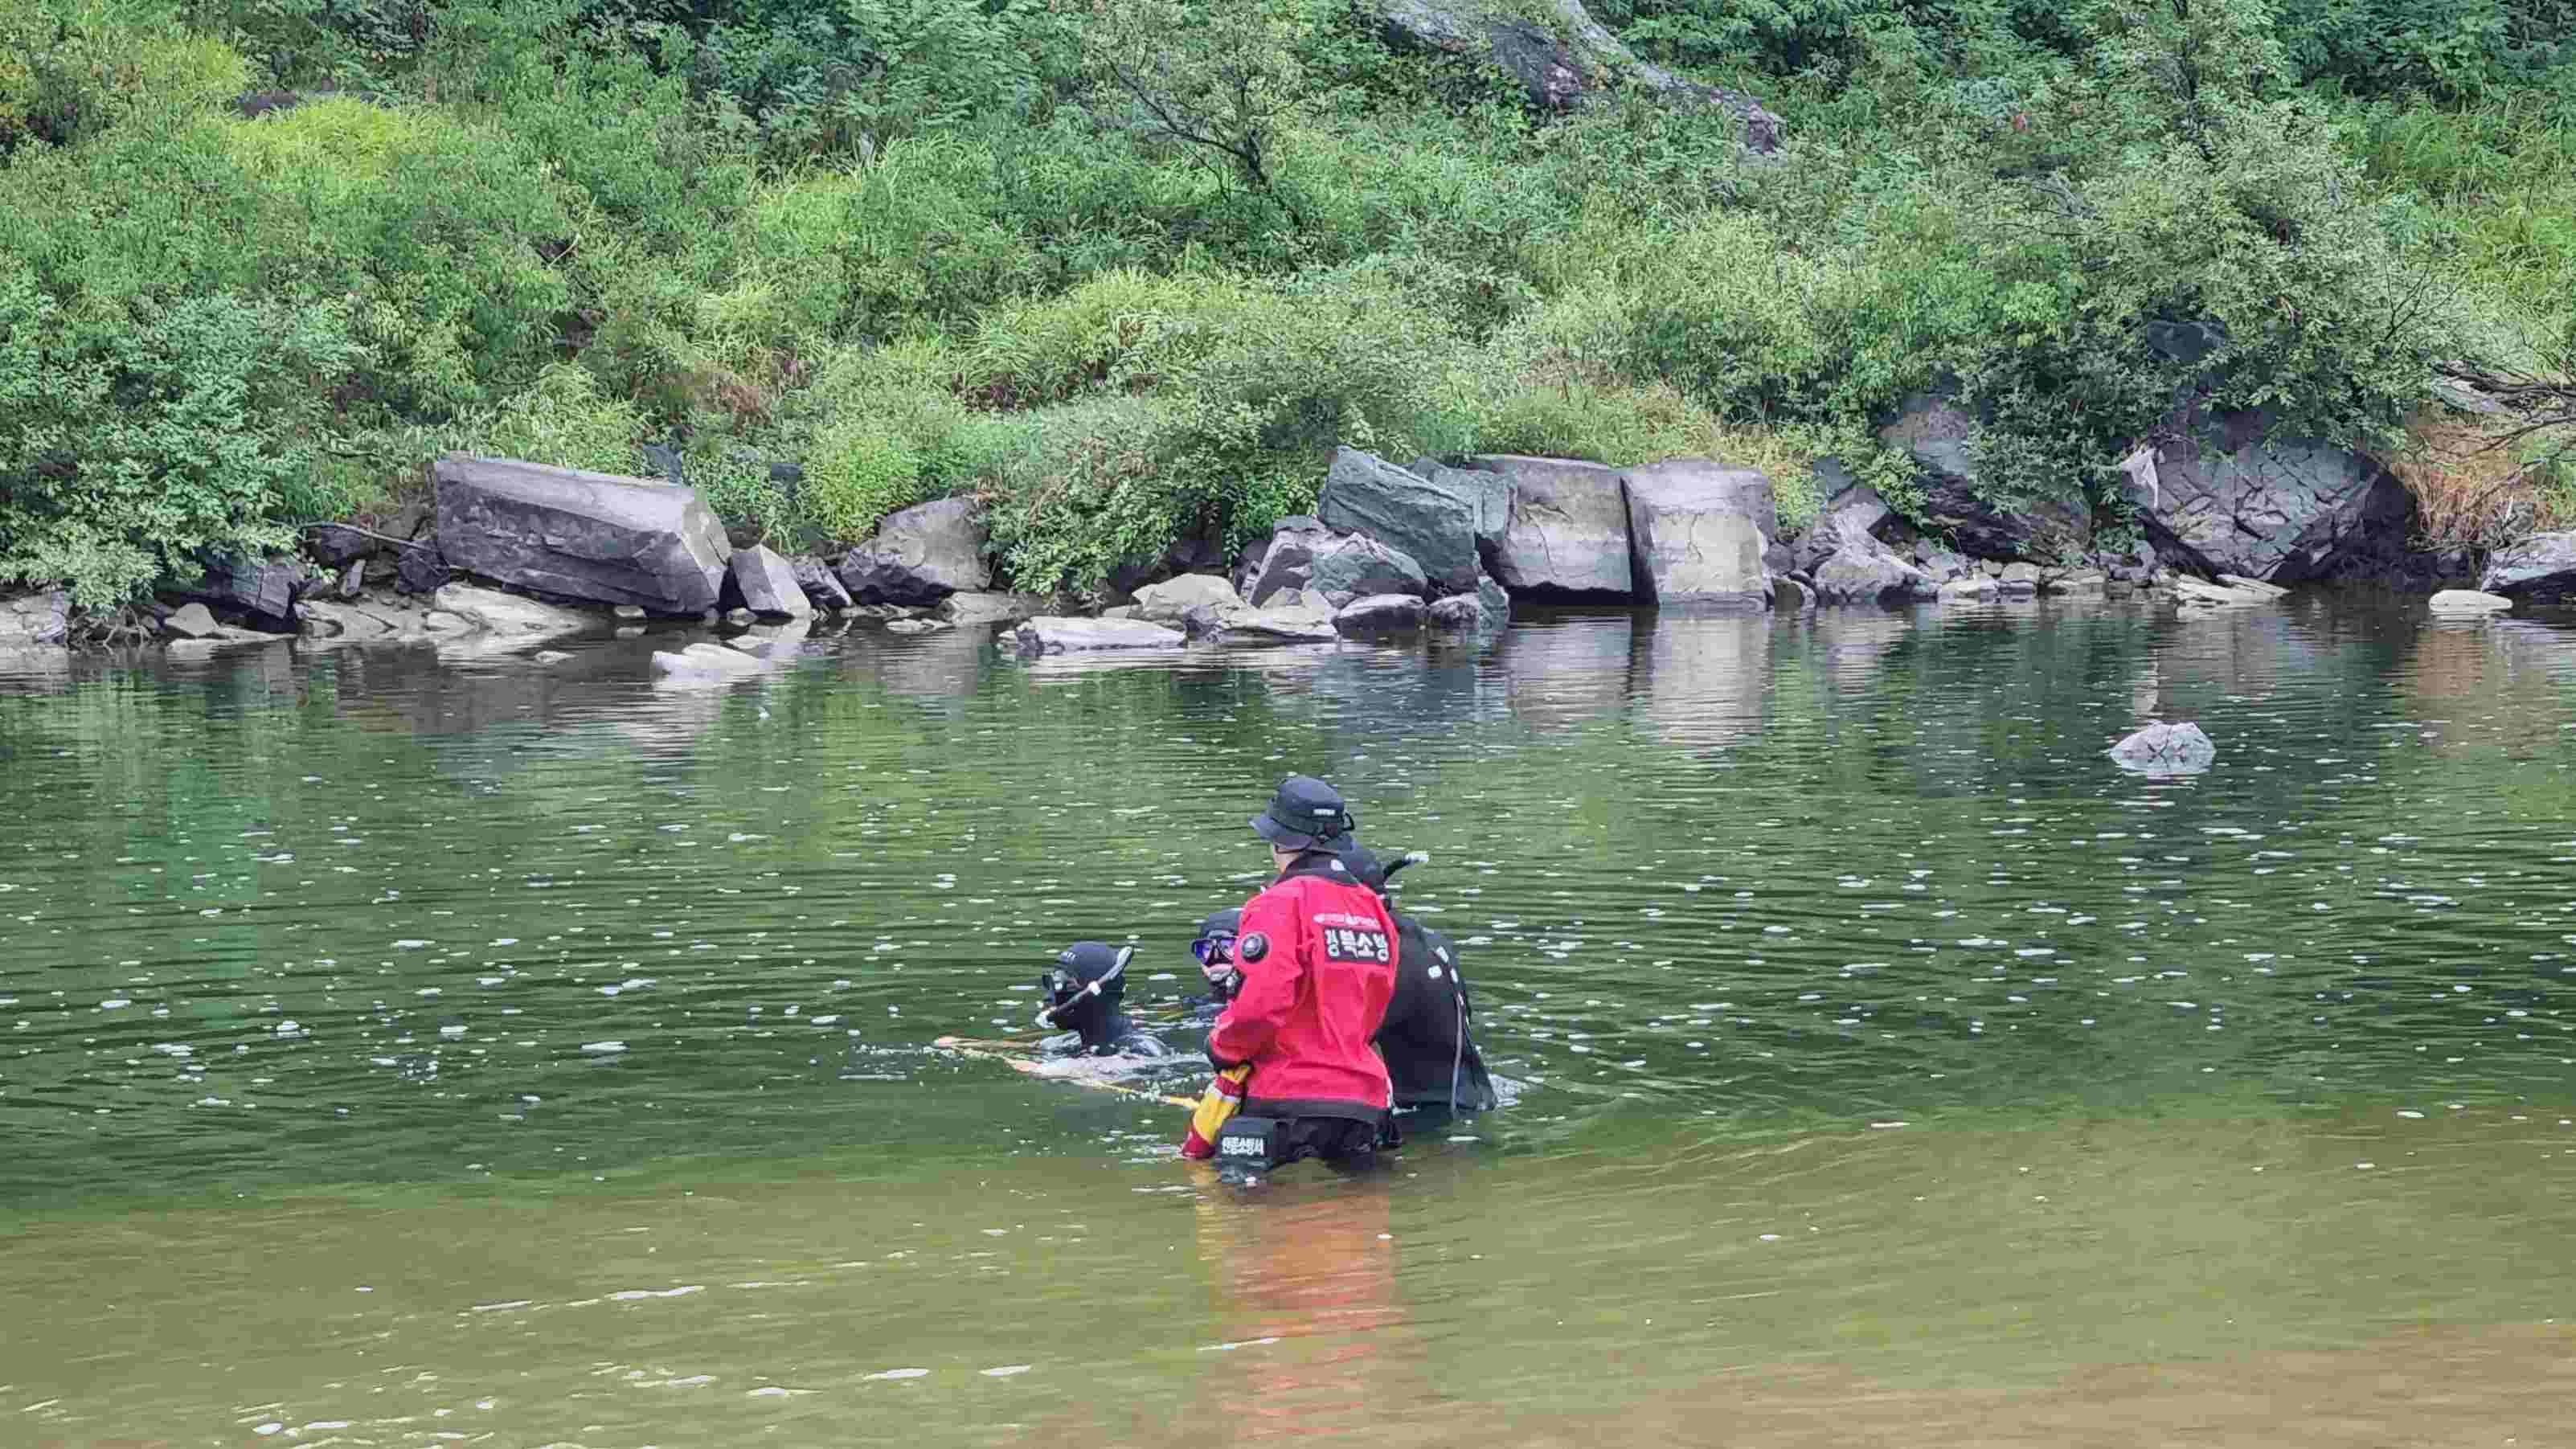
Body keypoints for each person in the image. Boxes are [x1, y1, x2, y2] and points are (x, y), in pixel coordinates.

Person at [1182, 776, 1399, 1170]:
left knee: (1234, 1215)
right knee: (1363, 1218)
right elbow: (1377, 1004)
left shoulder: (1279, 903)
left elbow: (1260, 1006)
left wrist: (1220, 1046)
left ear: (1282, 842)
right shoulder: (1374, 909)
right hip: (1364, 1102)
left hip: (1286, 1096)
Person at [1036, 940, 1169, 1058]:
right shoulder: (1069, 1042)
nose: (1052, 996)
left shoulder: (1145, 1050)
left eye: (1067, 984)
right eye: (1055, 981)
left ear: (1097, 994)